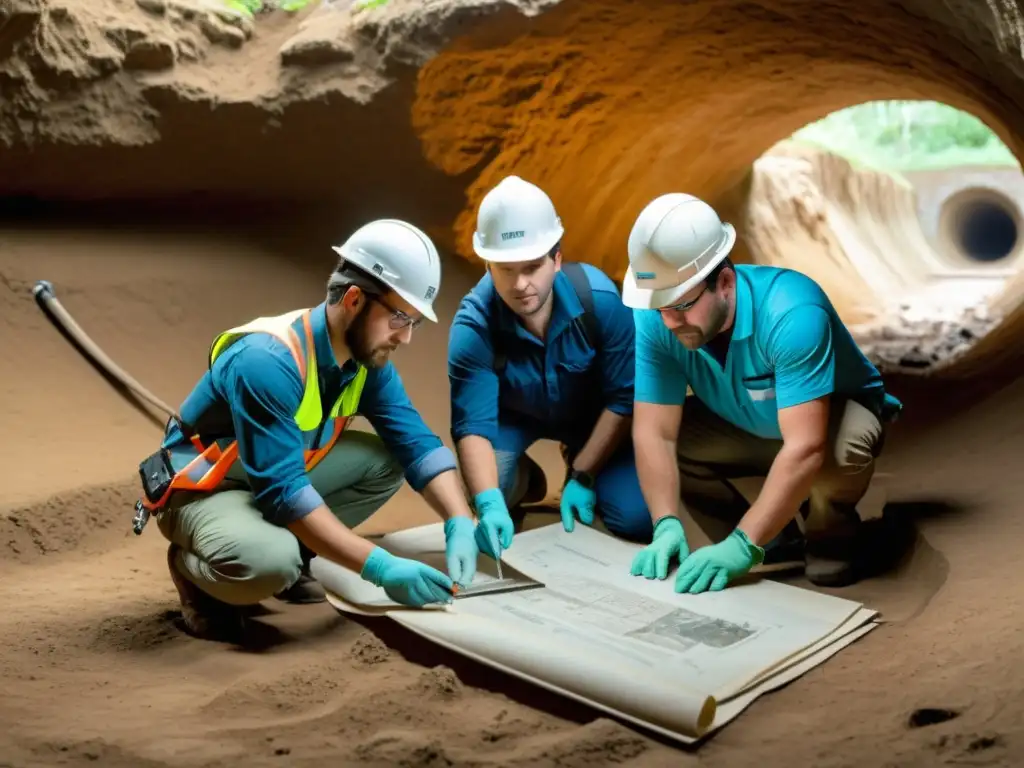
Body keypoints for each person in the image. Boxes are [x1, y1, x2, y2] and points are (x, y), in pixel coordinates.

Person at [134, 219, 480, 641]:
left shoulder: (365, 362)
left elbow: (417, 445)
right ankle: (198, 575)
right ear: (354, 299)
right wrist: (380, 568)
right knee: (269, 564)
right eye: (400, 317)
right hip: (204, 487)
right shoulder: (267, 361)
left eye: (414, 323)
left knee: (385, 461)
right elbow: (283, 492)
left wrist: (460, 522)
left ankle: (298, 551)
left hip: (271, 476)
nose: (405, 338)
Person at [621, 193, 903, 593]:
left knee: (838, 455)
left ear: (724, 283)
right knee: (677, 442)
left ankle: (829, 534)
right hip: (753, 424)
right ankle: (770, 537)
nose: (669, 321)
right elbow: (655, 433)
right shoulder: (656, 316)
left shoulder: (792, 313)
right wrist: (665, 521)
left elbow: (806, 446)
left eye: (682, 304)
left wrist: (741, 547)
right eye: (659, 307)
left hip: (829, 425)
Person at [448, 175, 651, 561]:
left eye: (533, 266)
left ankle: (579, 460)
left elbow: (625, 398)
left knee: (637, 517)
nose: (521, 283)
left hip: (589, 420)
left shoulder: (602, 302)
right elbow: (471, 426)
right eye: (506, 269)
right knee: (486, 491)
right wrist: (489, 504)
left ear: (556, 259)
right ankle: (524, 481)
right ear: (487, 265)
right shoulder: (473, 326)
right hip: (512, 418)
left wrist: (584, 474)